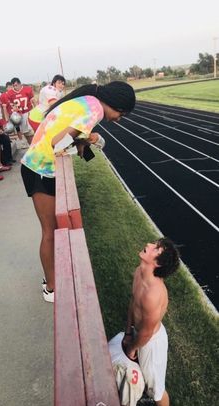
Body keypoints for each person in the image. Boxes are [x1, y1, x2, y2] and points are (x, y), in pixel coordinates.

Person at [21, 81, 136, 303]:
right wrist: (82, 139)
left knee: (53, 231)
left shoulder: (88, 102)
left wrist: (84, 141)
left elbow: (65, 140)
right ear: (114, 105)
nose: (119, 119)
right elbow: (58, 143)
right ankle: (51, 287)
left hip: (41, 167)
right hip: (39, 169)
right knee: (50, 232)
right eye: (121, 114)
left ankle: (51, 278)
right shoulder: (95, 110)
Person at [122, 238, 180, 406]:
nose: (148, 244)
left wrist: (132, 347)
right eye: (154, 243)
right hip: (139, 333)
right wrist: (128, 332)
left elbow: (147, 332)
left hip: (152, 342)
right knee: (134, 372)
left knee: (156, 389)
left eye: (156, 248)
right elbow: (133, 301)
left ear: (157, 263)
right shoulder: (139, 272)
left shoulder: (154, 294)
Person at [5, 77, 36, 145]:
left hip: (29, 112)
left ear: (20, 84)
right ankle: (31, 146)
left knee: (33, 131)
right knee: (26, 133)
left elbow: (33, 100)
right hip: (20, 115)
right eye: (14, 86)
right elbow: (12, 105)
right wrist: (14, 109)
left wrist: (36, 110)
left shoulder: (27, 89)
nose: (15, 87)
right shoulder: (10, 93)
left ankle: (36, 145)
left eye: (16, 85)